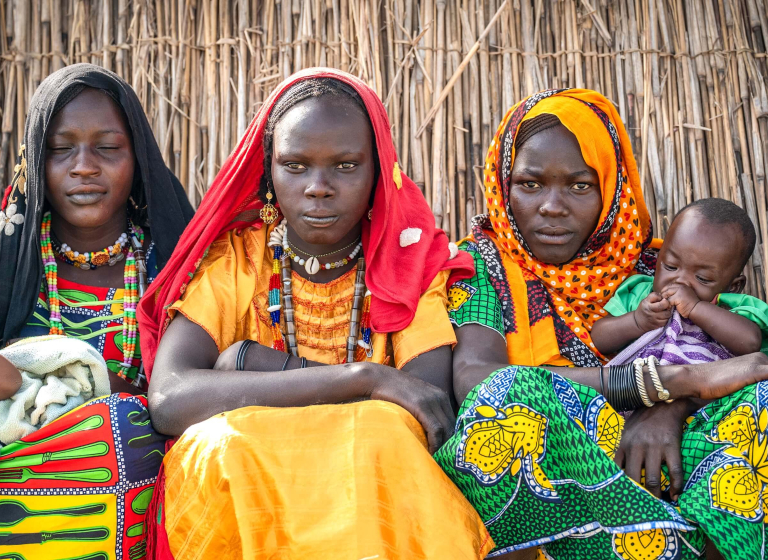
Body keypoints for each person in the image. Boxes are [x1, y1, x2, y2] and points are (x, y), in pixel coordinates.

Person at [138, 68, 494, 559]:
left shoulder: (410, 264)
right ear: (268, 173)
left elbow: (421, 411)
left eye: (346, 166)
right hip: (248, 489)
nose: (319, 187)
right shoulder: (235, 263)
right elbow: (170, 397)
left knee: (382, 434)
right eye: (296, 165)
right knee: (222, 444)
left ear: (378, 170)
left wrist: (252, 362)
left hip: (371, 494)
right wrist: (364, 378)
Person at [436, 89, 768, 559]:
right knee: (507, 395)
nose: (552, 206)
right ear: (503, 184)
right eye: (530, 184)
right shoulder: (480, 265)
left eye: (579, 186)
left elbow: (734, 357)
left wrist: (669, 408)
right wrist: (661, 383)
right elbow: (474, 379)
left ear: (611, 189)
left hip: (667, 449)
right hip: (549, 467)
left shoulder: (658, 264)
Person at [0, 63, 193, 560]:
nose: (84, 166)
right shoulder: (8, 262)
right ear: (35, 161)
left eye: (107, 148)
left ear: (139, 159)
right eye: (61, 149)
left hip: (143, 504)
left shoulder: (180, 265)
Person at [592, 197, 767, 360]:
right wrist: (637, 321)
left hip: (716, 390)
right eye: (670, 266)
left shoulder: (733, 307)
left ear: (734, 286)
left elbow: (751, 343)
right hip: (640, 387)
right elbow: (599, 339)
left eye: (702, 278)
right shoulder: (639, 294)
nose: (680, 281)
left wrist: (695, 308)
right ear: (658, 258)